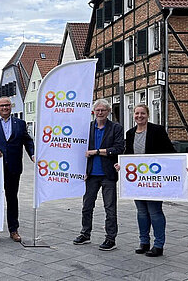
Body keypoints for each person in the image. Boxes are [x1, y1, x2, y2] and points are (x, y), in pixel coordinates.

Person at [0, 96, 34, 242]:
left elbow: (27, 141)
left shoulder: (20, 124)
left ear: (11, 107)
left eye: (7, 105)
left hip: (14, 167)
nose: (4, 108)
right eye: (2, 106)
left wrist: (33, 154)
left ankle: (13, 229)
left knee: (12, 199)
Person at [122, 104, 175, 257]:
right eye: (137, 113)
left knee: (155, 211)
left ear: (148, 115)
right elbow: (128, 154)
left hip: (153, 178)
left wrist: (183, 165)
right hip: (137, 181)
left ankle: (158, 245)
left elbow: (170, 152)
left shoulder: (157, 131)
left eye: (142, 113)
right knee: (142, 212)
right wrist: (122, 165)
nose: (139, 116)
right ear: (133, 115)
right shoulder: (130, 133)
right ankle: (144, 242)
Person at [73, 99, 124, 251]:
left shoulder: (116, 128)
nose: (100, 113)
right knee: (87, 206)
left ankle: (110, 238)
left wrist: (96, 152)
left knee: (110, 208)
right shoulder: (87, 128)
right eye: (98, 110)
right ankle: (85, 233)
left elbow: (119, 148)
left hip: (108, 174)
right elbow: (78, 150)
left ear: (108, 112)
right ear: (93, 112)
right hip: (90, 174)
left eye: (103, 110)